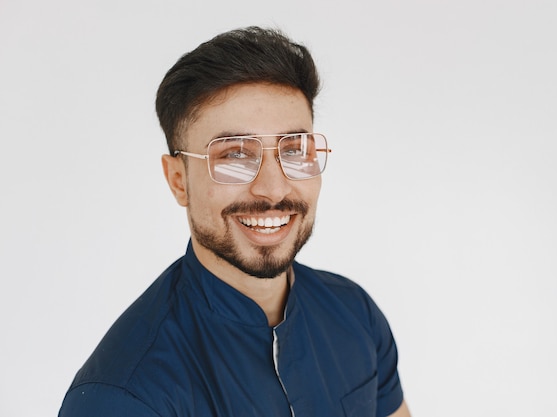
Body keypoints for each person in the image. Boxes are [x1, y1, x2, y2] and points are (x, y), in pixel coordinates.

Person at [58, 26, 410, 417]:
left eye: (294, 149)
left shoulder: (354, 315)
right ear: (179, 181)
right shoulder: (125, 396)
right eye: (235, 155)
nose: (274, 189)